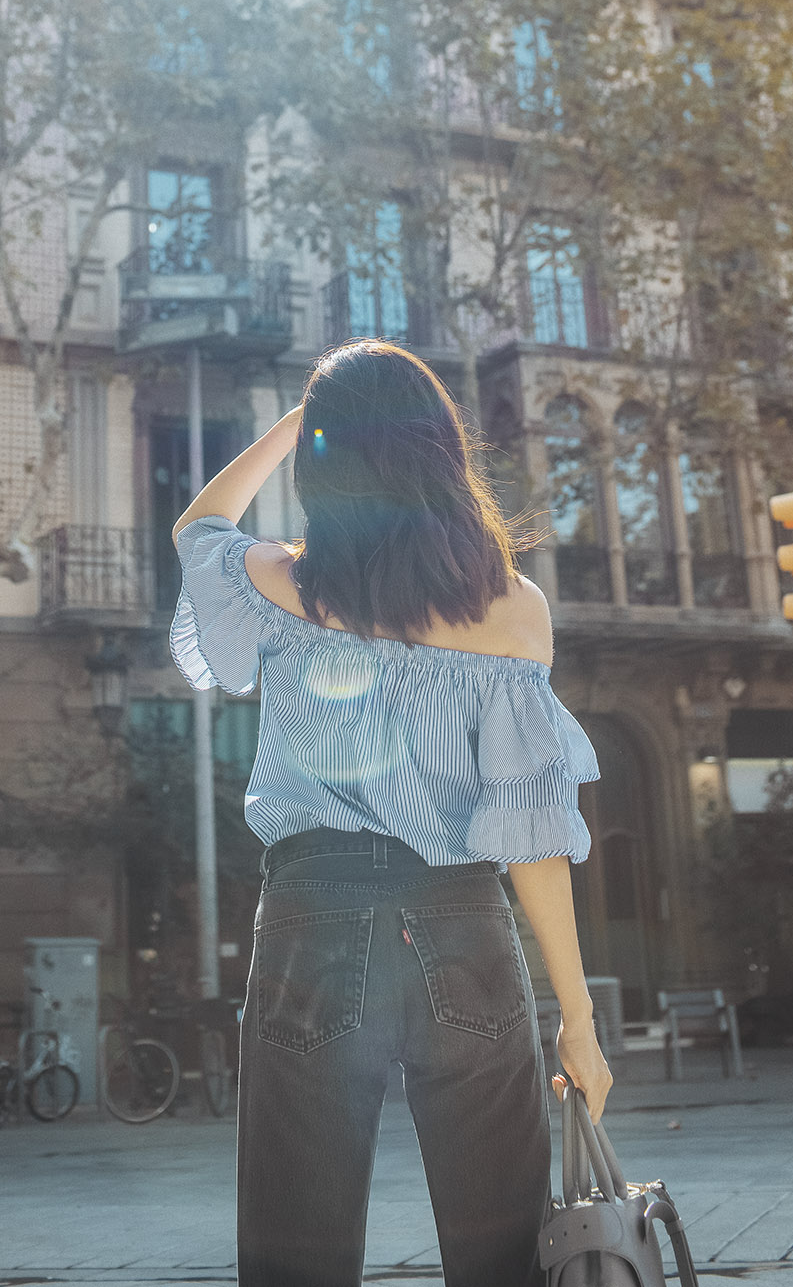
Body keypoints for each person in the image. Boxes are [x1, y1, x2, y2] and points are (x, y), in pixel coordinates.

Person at [171, 340, 610, 1287]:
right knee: (504, 1255)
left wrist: (294, 428)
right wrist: (577, 1015)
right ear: (440, 453)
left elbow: (199, 526)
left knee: (296, 1252)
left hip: (311, 916)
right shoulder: (514, 609)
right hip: (464, 919)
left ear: (325, 465)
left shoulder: (283, 585)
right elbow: (533, 835)